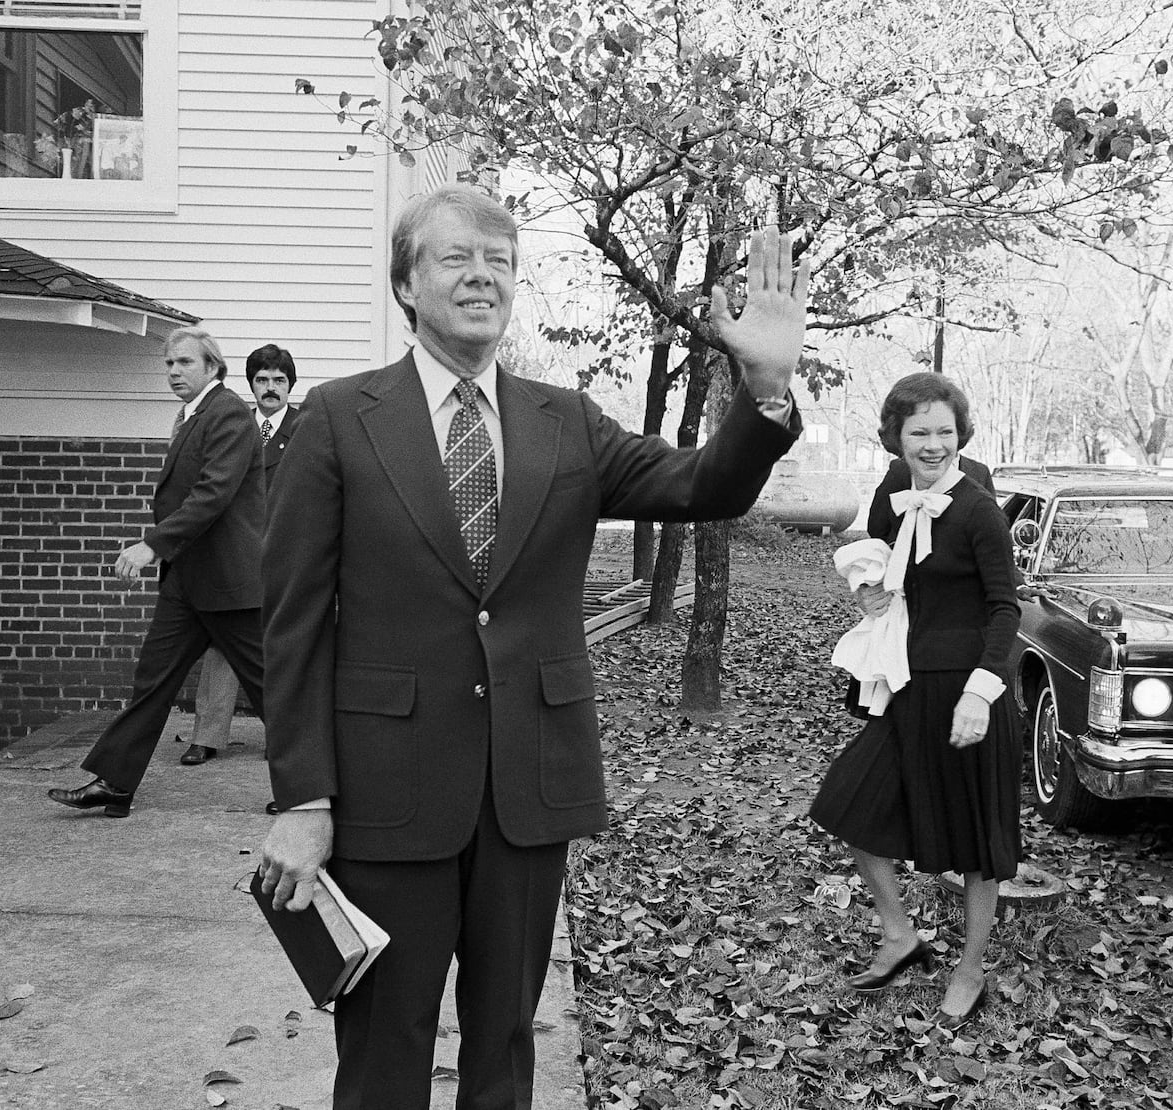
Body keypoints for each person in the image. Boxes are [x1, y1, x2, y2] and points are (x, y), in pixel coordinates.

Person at [253, 184, 809, 1109]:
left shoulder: (567, 422)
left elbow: (701, 485)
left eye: (499, 261)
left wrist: (766, 390)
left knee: (506, 1044)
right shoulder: (338, 418)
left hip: (528, 791)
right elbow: (294, 626)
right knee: (386, 1049)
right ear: (405, 285)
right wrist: (304, 800)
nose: (481, 276)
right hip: (390, 794)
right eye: (454, 258)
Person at [810, 372, 1021, 1031]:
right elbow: (876, 565)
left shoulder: (979, 507)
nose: (932, 444)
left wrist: (980, 695)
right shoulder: (893, 497)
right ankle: (900, 935)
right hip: (906, 687)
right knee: (848, 804)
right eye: (918, 432)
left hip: (967, 691)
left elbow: (1006, 608)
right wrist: (868, 592)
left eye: (944, 432)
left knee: (975, 843)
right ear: (895, 439)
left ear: (962, 435)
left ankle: (970, 968)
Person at [47, 327, 268, 817]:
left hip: (229, 583)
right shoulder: (193, 415)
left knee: (273, 690)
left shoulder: (228, 412)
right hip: (188, 582)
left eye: (184, 363)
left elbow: (212, 494)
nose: (173, 372)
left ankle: (317, 791)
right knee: (152, 680)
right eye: (169, 364)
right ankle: (116, 783)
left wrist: (152, 544)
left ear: (212, 367)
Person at [179, 343, 302, 766]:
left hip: (288, 556)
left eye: (279, 381)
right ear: (250, 385)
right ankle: (207, 735)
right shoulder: (234, 425)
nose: (270, 388)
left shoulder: (306, 429)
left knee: (285, 645)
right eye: (262, 380)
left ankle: (283, 738)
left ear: (290, 386)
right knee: (223, 643)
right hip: (237, 555)